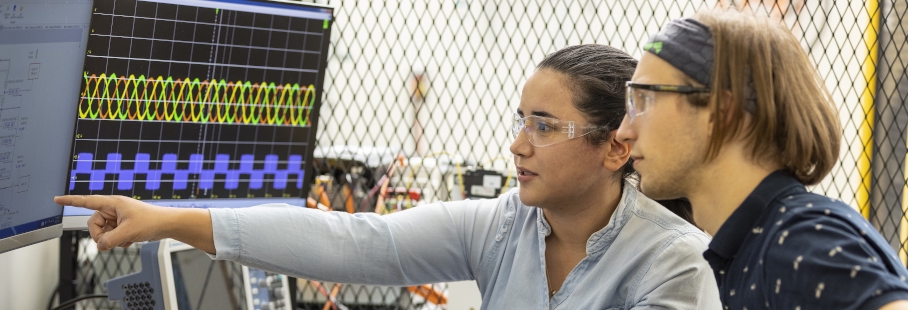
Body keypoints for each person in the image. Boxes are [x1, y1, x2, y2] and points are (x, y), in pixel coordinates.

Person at [55, 44, 720, 308]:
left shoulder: (672, 266)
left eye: (545, 126)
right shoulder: (507, 227)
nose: (518, 144)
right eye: (521, 119)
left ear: (614, 149)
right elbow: (357, 243)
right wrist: (165, 219)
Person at [615, 10, 908, 310]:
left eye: (644, 100)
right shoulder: (754, 245)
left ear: (721, 114)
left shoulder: (798, 244)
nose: (624, 131)